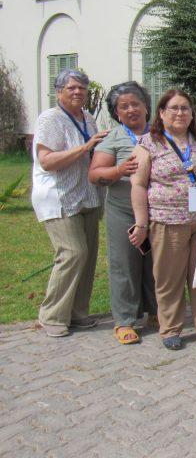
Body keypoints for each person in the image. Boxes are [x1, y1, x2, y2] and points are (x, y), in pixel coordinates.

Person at [129, 90, 196, 350]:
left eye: (185, 108)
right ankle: (171, 329)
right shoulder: (148, 143)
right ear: (161, 113)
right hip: (167, 221)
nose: (180, 113)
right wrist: (141, 224)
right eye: (173, 108)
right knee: (169, 279)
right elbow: (138, 185)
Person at [31, 69, 109, 338]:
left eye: (82, 88)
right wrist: (85, 147)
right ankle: (52, 315)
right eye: (71, 88)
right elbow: (47, 161)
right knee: (73, 253)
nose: (78, 92)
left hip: (87, 195)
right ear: (58, 92)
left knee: (87, 257)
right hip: (59, 197)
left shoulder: (88, 118)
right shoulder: (50, 119)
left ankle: (77, 313)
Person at [89, 82, 157, 345]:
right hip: (123, 211)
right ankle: (125, 320)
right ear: (116, 112)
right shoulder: (113, 137)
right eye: (124, 106)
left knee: (156, 263)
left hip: (158, 211)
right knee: (125, 264)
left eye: (135, 104)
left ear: (146, 106)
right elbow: (95, 174)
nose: (131, 110)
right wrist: (119, 171)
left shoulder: (159, 133)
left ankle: (156, 313)